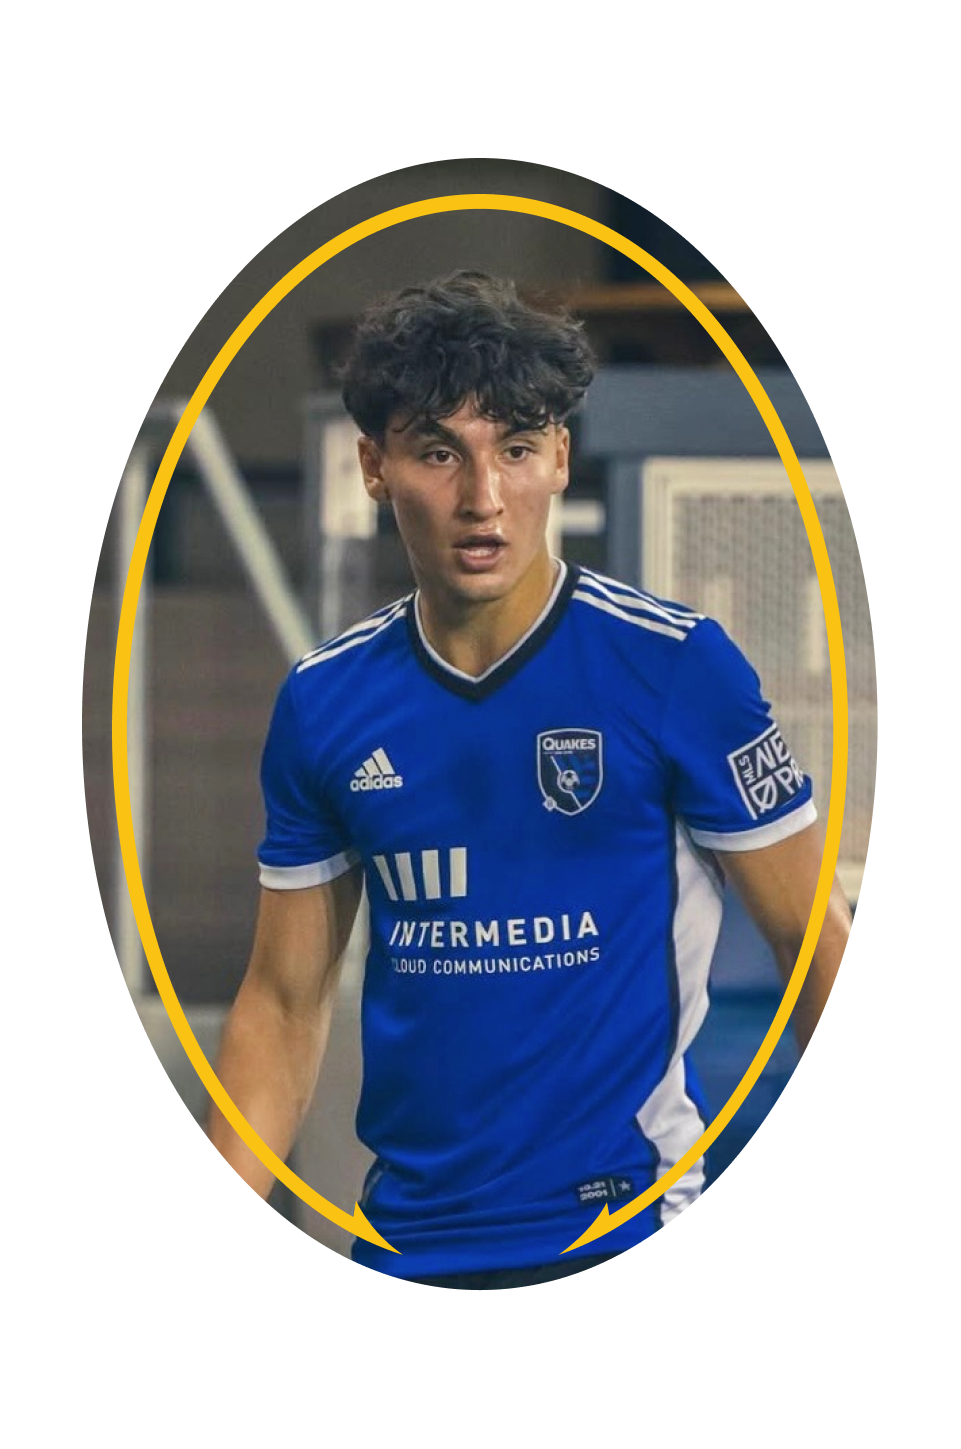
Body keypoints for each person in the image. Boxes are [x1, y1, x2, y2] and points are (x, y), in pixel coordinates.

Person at [208, 271, 850, 1287]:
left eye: (514, 447)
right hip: (404, 1240)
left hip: (622, 1220)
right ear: (374, 466)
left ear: (558, 457)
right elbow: (283, 1005)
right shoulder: (323, 701)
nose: (482, 497)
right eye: (437, 452)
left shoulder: (676, 667)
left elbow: (810, 938)